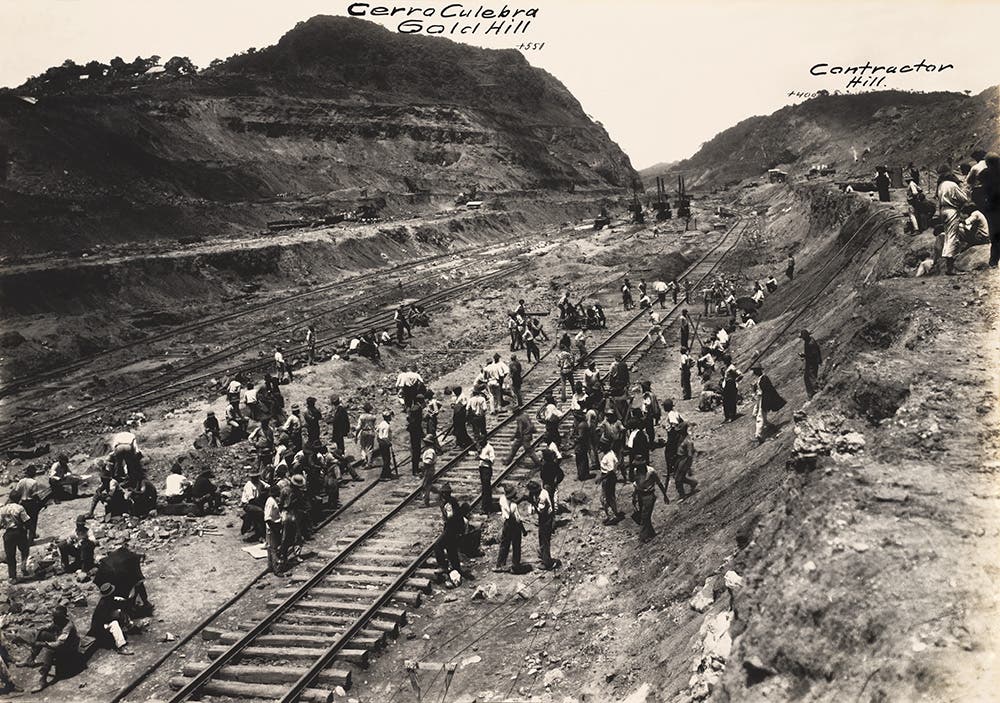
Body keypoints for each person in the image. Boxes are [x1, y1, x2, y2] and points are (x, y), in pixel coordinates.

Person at [23, 606, 82, 692]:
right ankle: (30, 660)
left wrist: (42, 644)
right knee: (41, 634)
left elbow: (58, 644)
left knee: (50, 650)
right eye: (53, 616)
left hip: (69, 648)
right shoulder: (58, 621)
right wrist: (38, 631)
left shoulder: (68, 627)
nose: (53, 619)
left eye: (55, 617)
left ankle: (43, 680)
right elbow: (50, 626)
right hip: (60, 641)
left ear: (62, 617)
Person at [937, 165, 970, 275]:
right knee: (952, 237)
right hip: (951, 210)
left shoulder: (940, 185)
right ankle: (951, 268)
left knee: (947, 236)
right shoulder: (952, 185)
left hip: (943, 210)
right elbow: (964, 199)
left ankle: (948, 265)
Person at [88, 582, 133, 655]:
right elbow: (103, 620)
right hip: (99, 627)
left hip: (105, 620)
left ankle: (130, 627)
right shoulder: (103, 605)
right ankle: (120, 647)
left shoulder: (108, 599)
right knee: (114, 624)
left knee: (119, 612)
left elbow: (115, 603)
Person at [433, 483, 466, 579]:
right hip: (455, 528)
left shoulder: (448, 504)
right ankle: (457, 568)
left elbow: (450, 516)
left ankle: (443, 566)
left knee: (438, 545)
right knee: (451, 548)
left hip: (451, 528)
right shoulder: (452, 501)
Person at [632, 463, 668, 543]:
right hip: (640, 495)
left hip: (649, 496)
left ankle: (642, 537)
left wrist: (665, 495)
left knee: (644, 517)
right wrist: (634, 497)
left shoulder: (651, 471)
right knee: (644, 515)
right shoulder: (635, 471)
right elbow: (636, 485)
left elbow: (659, 483)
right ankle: (651, 533)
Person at [494, 484, 526, 573]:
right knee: (516, 545)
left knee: (504, 544)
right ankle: (515, 565)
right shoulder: (514, 505)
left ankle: (499, 564)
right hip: (514, 525)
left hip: (506, 524)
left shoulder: (502, 499)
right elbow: (518, 519)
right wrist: (523, 530)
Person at [527, 480, 558, 570]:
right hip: (544, 518)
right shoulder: (543, 491)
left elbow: (541, 510)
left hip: (546, 519)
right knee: (542, 537)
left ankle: (547, 562)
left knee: (545, 540)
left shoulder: (542, 497)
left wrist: (533, 504)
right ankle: (543, 555)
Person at [752, 365, 786, 443]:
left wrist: (767, 401)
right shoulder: (759, 379)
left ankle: (758, 435)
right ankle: (769, 425)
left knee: (760, 416)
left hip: (764, 399)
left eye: (755, 370)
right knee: (754, 414)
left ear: (759, 371)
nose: (754, 372)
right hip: (759, 399)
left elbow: (768, 391)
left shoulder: (764, 378)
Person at [1, 495, 31, 583]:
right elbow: (26, 520)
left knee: (10, 556)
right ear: (18, 499)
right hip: (20, 532)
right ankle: (24, 568)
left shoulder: (2, 509)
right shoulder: (19, 508)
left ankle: (12, 577)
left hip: (9, 534)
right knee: (24, 550)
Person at [14, 466, 46, 542]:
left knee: (25, 520)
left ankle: (26, 537)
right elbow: (34, 495)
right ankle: (31, 538)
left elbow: (16, 492)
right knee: (33, 520)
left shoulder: (21, 481)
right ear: (33, 473)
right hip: (31, 503)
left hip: (23, 502)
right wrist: (41, 503)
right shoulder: (33, 482)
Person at [597, 442, 622, 525]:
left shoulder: (608, 456)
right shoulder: (610, 453)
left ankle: (612, 517)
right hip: (609, 477)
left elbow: (611, 470)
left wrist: (601, 478)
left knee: (605, 498)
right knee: (610, 497)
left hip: (608, 478)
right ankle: (613, 514)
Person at [239, 470, 268, 542]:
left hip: (256, 502)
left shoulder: (260, 482)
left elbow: (268, 486)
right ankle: (261, 534)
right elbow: (251, 500)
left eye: (256, 477)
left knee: (257, 514)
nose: (255, 478)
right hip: (248, 504)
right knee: (261, 512)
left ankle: (257, 531)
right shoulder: (249, 485)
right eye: (253, 477)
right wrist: (262, 506)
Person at [673, 422, 699, 499]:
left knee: (678, 479)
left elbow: (690, 455)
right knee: (678, 477)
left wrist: (688, 468)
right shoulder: (680, 437)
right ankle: (693, 482)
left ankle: (682, 495)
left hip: (685, 459)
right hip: (679, 458)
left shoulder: (688, 441)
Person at [263, 485, 283, 575]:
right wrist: (274, 528)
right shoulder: (271, 502)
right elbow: (267, 518)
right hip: (272, 527)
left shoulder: (273, 500)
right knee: (274, 549)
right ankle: (277, 570)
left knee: (270, 548)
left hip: (275, 526)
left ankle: (270, 566)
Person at [800, 330, 822, 398]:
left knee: (811, 376)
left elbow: (813, 355)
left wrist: (804, 356)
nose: (802, 339)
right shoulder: (809, 340)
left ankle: (815, 390)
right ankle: (812, 392)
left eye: (803, 337)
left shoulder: (810, 343)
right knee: (807, 377)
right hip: (810, 362)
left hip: (812, 362)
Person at [356, 402, 378, 469]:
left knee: (362, 447)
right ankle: (369, 462)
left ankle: (364, 459)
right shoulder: (373, 417)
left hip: (364, 432)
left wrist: (356, 435)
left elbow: (358, 427)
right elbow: (375, 426)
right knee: (370, 448)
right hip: (371, 432)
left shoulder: (361, 417)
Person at [407, 397, 425, 476]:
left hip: (413, 430)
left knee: (415, 450)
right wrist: (421, 432)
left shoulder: (414, 407)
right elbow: (417, 422)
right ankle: (415, 470)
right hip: (415, 431)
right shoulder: (417, 408)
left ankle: (415, 468)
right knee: (416, 451)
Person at [477, 437, 496, 514]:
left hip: (486, 470)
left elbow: (491, 461)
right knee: (485, 488)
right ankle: (488, 506)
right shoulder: (482, 447)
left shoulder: (489, 448)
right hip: (481, 469)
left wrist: (481, 458)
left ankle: (485, 508)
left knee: (486, 489)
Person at [722, 356, 742, 422]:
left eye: (726, 360)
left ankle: (732, 416)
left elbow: (740, 375)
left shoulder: (732, 367)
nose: (724, 362)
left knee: (731, 400)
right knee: (725, 401)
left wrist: (735, 381)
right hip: (726, 385)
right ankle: (727, 416)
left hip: (731, 385)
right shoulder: (726, 368)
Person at [376, 410, 395, 479]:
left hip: (381, 442)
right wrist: (389, 443)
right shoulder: (386, 426)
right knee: (387, 460)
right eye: (389, 416)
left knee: (386, 459)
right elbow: (385, 436)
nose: (391, 418)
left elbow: (377, 432)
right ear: (387, 417)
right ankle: (383, 476)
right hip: (384, 443)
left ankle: (388, 473)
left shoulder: (381, 423)